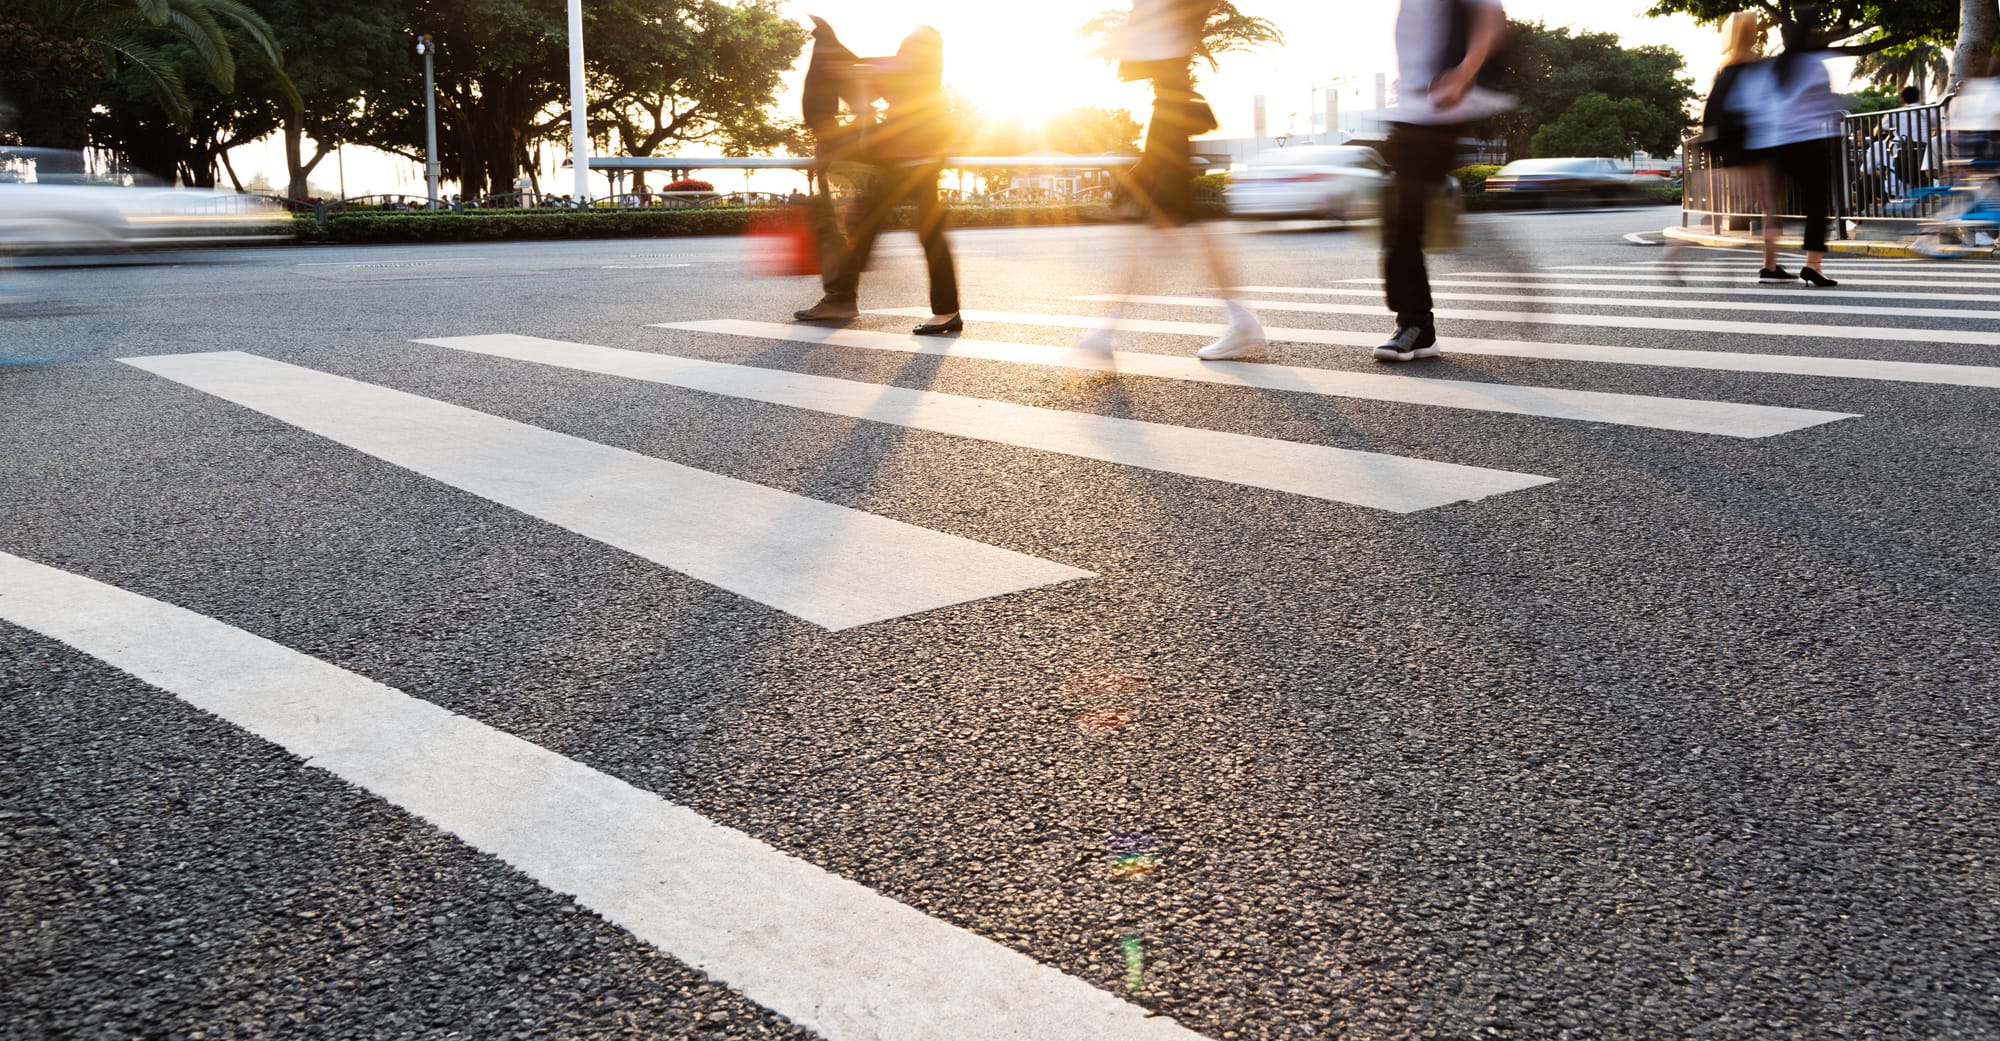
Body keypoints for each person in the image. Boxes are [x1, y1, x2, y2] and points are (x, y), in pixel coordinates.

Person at [1072, 0, 1266, 361]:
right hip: (1169, 104)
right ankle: (1240, 320)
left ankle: (1106, 333)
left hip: (1172, 107)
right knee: (1164, 223)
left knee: (1153, 225)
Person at [792, 19, 960, 336]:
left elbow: (872, 71)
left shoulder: (913, 71)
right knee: (894, 231)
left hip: (910, 160)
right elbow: (874, 73)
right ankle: (844, 297)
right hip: (908, 159)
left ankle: (841, 297)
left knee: (873, 230)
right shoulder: (916, 71)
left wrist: (833, 53)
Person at [1375, 0, 1511, 362]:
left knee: (1404, 215)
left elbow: (1491, 18)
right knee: (1401, 216)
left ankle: (1415, 324)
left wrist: (1462, 75)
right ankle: (1417, 324)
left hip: (1445, 104)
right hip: (1414, 107)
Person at [1728, 10, 1844, 286]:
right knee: (1816, 203)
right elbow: (1825, 105)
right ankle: (1813, 265)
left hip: (1771, 145)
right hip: (1807, 142)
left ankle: (1768, 266)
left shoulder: (1768, 67)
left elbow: (1748, 103)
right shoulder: (1814, 65)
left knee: (1772, 208)